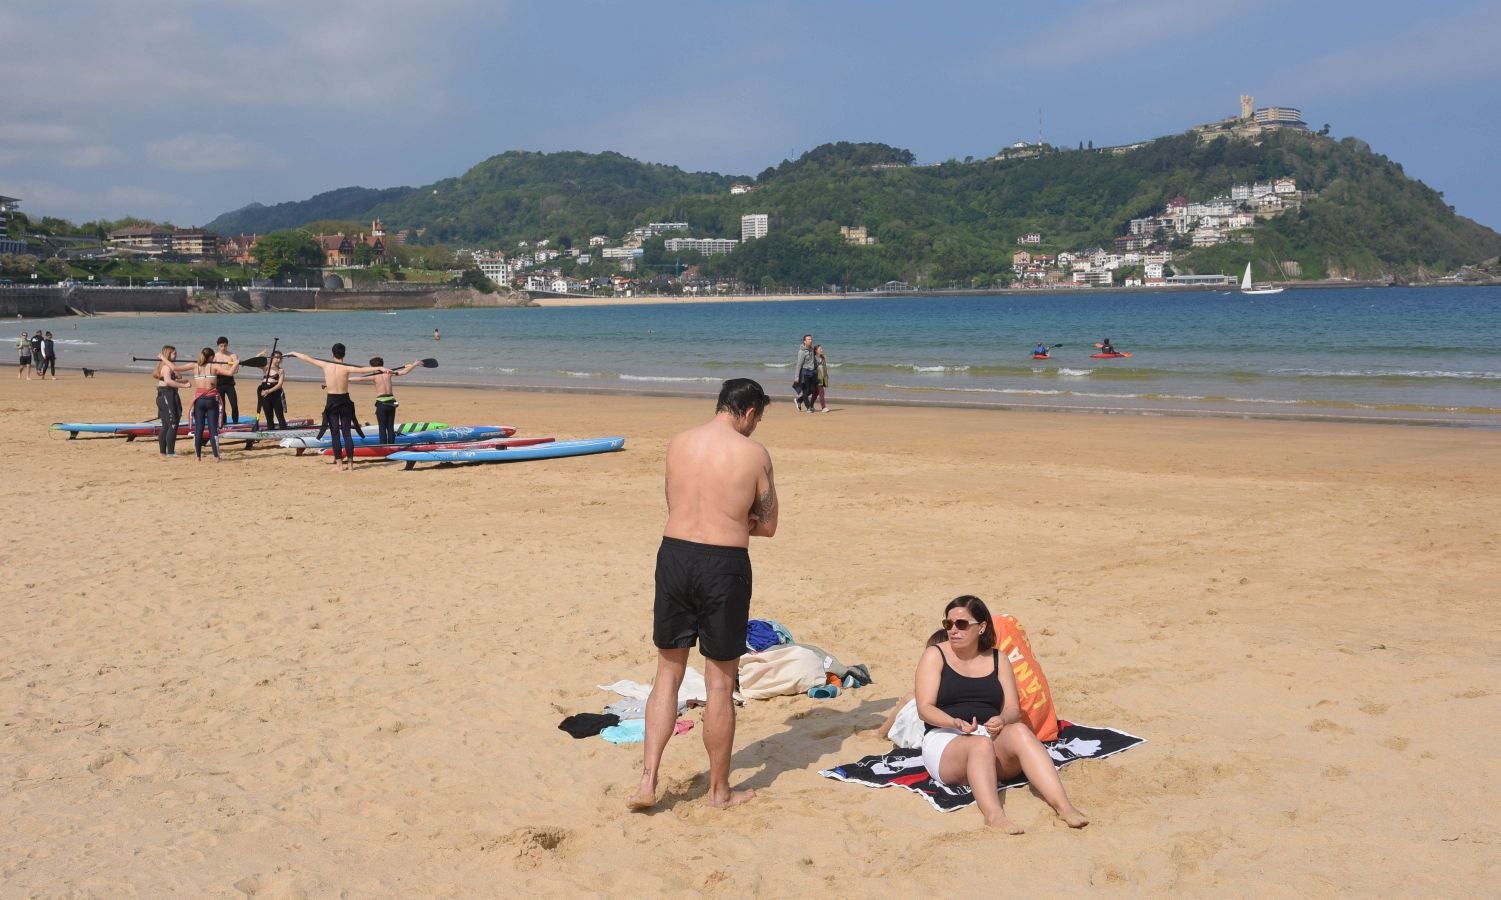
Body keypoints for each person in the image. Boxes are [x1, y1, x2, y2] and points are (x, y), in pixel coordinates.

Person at [628, 378, 777, 812]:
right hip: (723, 564)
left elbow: (673, 501)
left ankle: (647, 782)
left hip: (673, 555)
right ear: (749, 412)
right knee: (719, 683)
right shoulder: (753, 453)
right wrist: (733, 519)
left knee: (666, 675)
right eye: (759, 418)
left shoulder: (679, 443)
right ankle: (719, 791)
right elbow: (767, 525)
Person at [913, 595, 1088, 832]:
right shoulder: (936, 655)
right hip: (946, 737)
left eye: (961, 624)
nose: (953, 630)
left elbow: (1013, 709)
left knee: (1020, 731)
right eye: (948, 624)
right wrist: (953, 721)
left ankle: (1065, 808)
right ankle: (994, 816)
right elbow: (925, 708)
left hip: (988, 734)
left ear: (982, 627)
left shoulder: (998, 659)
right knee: (979, 745)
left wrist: (1003, 719)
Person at [286, 344, 384, 471]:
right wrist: (382, 368)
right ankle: (350, 464)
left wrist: (294, 352)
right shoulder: (347, 368)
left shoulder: (326, 365)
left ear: (332, 354)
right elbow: (365, 369)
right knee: (347, 433)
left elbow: (306, 358)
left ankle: (339, 465)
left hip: (332, 401)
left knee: (335, 434)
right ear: (344, 354)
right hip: (345, 401)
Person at [351, 356, 423, 444]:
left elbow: (359, 379)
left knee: (382, 428)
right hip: (392, 403)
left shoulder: (374, 376)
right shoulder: (389, 373)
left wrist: (346, 379)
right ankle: (391, 446)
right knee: (390, 427)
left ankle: (383, 447)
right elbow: (404, 372)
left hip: (382, 404)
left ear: (373, 367)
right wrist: (414, 364)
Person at [188, 347, 238, 461]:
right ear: (211, 357)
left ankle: (197, 457)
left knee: (199, 429)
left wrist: (163, 359)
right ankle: (216, 456)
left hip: (199, 400)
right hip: (211, 400)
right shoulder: (214, 366)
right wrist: (236, 363)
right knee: (213, 429)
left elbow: (174, 367)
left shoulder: (194, 366)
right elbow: (230, 373)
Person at [153, 345, 191, 457]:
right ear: (168, 354)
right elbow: (169, 382)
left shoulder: (170, 366)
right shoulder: (166, 367)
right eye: (174, 353)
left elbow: (176, 376)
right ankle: (170, 452)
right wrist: (185, 386)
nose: (176, 355)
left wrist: (183, 381)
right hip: (166, 395)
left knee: (166, 425)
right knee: (173, 423)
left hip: (169, 395)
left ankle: (163, 452)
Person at [257, 351, 289, 429]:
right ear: (272, 358)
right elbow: (255, 362)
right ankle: (271, 431)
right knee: (268, 416)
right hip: (264, 394)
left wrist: (269, 391)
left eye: (280, 358)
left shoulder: (281, 371)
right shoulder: (266, 367)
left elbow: (279, 384)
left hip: (276, 394)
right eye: (277, 357)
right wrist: (260, 354)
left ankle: (283, 431)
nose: (279, 360)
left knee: (279, 415)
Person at [213, 337, 240, 426]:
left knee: (234, 405)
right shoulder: (215, 356)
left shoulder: (232, 355)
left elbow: (236, 370)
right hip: (219, 382)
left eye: (225, 346)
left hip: (229, 382)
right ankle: (223, 423)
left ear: (227, 345)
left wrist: (234, 366)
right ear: (218, 346)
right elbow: (212, 370)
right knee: (222, 406)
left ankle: (235, 422)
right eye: (221, 346)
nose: (223, 348)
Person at [793, 333, 817, 413]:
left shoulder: (812, 349)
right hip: (805, 373)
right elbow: (799, 364)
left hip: (812, 372)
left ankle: (799, 400)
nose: (811, 340)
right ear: (804, 341)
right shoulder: (801, 352)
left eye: (811, 339)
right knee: (806, 390)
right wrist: (796, 376)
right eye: (809, 339)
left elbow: (814, 360)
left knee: (813, 389)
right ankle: (808, 407)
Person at [813, 344, 830, 412]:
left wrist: (826, 376)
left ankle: (810, 405)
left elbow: (825, 368)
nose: (821, 350)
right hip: (817, 378)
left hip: (823, 378)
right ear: (816, 350)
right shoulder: (813, 358)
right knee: (821, 392)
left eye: (821, 349)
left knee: (816, 393)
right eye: (820, 349)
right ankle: (823, 407)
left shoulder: (823, 358)